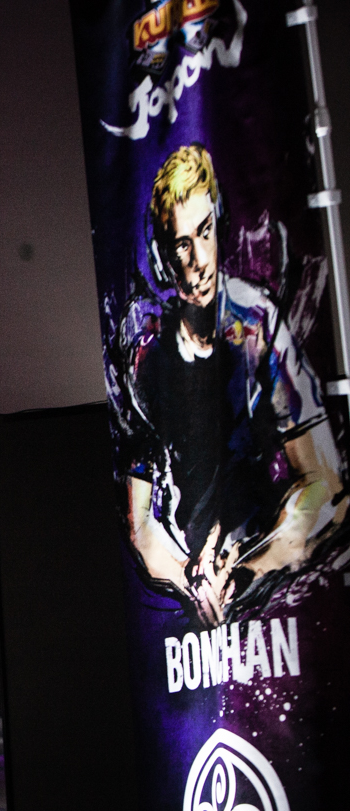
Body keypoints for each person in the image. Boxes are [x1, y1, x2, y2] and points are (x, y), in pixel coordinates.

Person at [121, 144, 345, 626]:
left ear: (219, 226)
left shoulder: (258, 324)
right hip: (186, 583)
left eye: (205, 232)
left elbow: (326, 482)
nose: (199, 260)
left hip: (267, 564)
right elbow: (140, 524)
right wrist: (190, 581)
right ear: (163, 256)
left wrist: (249, 569)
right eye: (182, 244)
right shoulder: (147, 356)